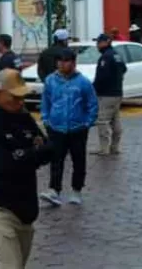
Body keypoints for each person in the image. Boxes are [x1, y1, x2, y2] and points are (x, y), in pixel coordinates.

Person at [0, 69, 56, 268]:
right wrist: (31, 154)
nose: (20, 102)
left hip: (25, 207)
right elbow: (3, 164)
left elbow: (48, 149)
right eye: (14, 97)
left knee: (19, 263)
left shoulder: (23, 116)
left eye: (22, 97)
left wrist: (24, 155)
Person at [39, 47, 98, 207]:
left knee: (78, 160)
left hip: (77, 128)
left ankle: (76, 190)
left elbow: (92, 104)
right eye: (59, 61)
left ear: (73, 63)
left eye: (65, 61)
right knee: (56, 159)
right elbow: (46, 102)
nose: (62, 64)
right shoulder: (50, 80)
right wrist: (46, 120)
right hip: (56, 128)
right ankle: (54, 190)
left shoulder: (83, 82)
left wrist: (87, 123)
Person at [92, 33, 126, 156]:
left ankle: (104, 148)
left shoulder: (106, 57)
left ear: (105, 42)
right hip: (117, 92)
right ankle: (115, 147)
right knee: (115, 120)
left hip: (106, 94)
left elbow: (102, 77)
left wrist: (94, 89)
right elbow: (124, 69)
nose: (97, 45)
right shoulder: (117, 55)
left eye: (99, 43)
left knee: (103, 121)